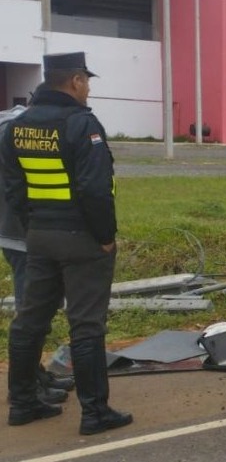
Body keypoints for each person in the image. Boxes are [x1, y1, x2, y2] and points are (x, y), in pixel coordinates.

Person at [2, 52, 132, 434]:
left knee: (30, 322)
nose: (88, 88)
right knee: (87, 325)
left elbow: (13, 188)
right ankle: (95, 413)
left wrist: (34, 227)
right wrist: (105, 238)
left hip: (39, 237)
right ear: (75, 80)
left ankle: (23, 403)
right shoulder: (81, 124)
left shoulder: (18, 126)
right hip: (82, 239)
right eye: (87, 81)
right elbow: (94, 189)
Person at [0, 97, 75, 406]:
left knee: (35, 309)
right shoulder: (20, 129)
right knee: (31, 312)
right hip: (24, 234)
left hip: (17, 232)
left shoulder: (10, 124)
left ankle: (36, 373)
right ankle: (28, 385)